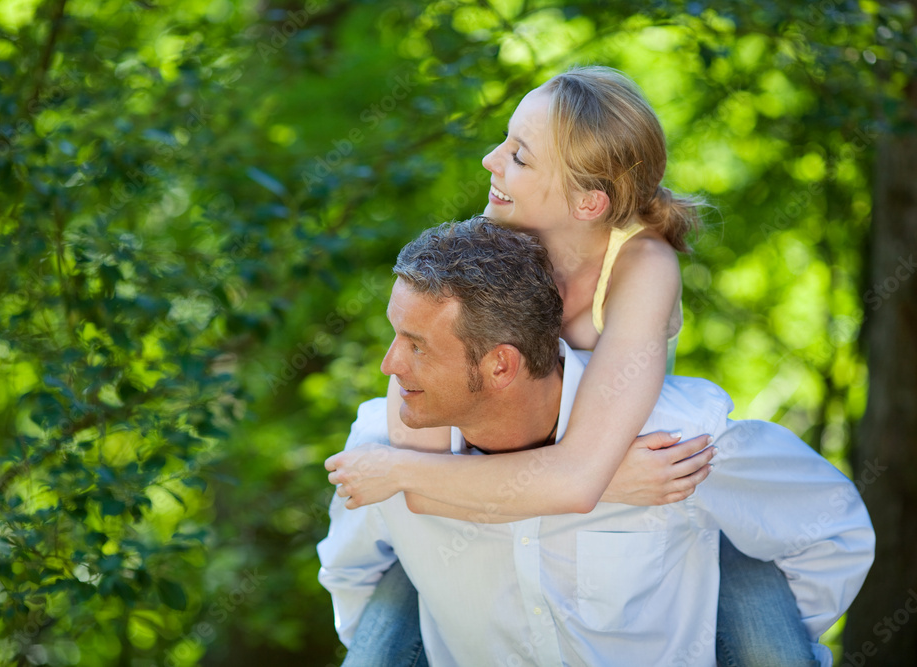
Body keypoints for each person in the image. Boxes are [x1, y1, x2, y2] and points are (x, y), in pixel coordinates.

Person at [324, 66, 812, 663]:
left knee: (774, 649)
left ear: (589, 202)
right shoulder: (484, 250)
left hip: (646, 529)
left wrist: (397, 472)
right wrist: (613, 483)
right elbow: (425, 490)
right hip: (504, 527)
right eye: (505, 142)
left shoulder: (641, 267)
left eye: (519, 157)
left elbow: (549, 480)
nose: (489, 160)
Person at [318, 219, 874, 667]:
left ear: (501, 365)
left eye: (415, 345)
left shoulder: (673, 441)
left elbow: (831, 529)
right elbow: (355, 581)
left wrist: (752, 645)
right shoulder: (381, 454)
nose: (389, 364)